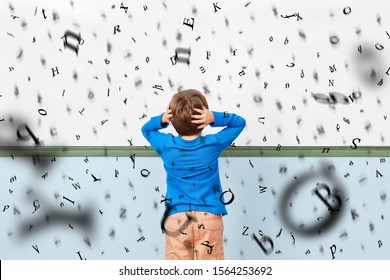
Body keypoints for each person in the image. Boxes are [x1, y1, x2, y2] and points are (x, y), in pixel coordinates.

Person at [141, 89, 246, 260]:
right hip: (209, 218)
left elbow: (146, 130)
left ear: (173, 118)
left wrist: (162, 119)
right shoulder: (212, 144)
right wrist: (214, 118)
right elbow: (239, 122)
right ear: (203, 119)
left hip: (177, 218)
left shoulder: (166, 145)